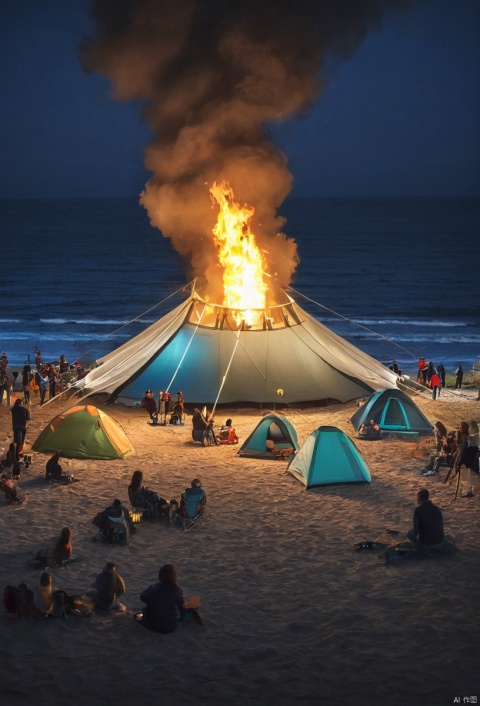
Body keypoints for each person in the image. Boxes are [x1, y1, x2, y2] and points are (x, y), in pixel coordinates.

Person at [134, 564, 198, 634]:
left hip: (150, 624)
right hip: (168, 627)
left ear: (160, 577)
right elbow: (182, 610)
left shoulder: (153, 588)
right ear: (174, 578)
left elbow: (142, 597)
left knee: (139, 614)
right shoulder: (176, 592)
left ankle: (142, 615)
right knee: (184, 614)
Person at [406, 488, 454, 555]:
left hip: (427, 544)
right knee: (448, 537)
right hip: (439, 541)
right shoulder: (436, 509)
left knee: (409, 533)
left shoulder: (418, 510)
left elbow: (415, 531)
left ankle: (420, 548)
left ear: (419, 498)